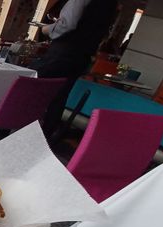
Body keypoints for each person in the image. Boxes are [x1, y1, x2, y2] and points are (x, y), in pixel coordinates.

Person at [29, 0, 118, 140]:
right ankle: (44, 138)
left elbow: (67, 24)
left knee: (27, 85)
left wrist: (46, 29)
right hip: (82, 57)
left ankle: (7, 132)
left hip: (62, 53)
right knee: (59, 98)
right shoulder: (111, 4)